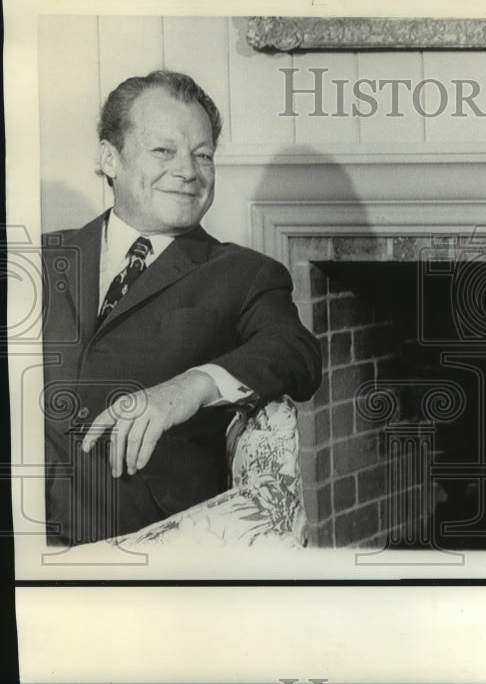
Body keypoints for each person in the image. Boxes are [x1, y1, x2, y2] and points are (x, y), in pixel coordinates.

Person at [42, 70, 322, 546]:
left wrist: (190, 386)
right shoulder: (41, 259)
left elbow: (296, 352)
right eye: (163, 151)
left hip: (150, 544)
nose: (188, 171)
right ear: (110, 158)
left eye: (203, 155)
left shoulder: (242, 272)